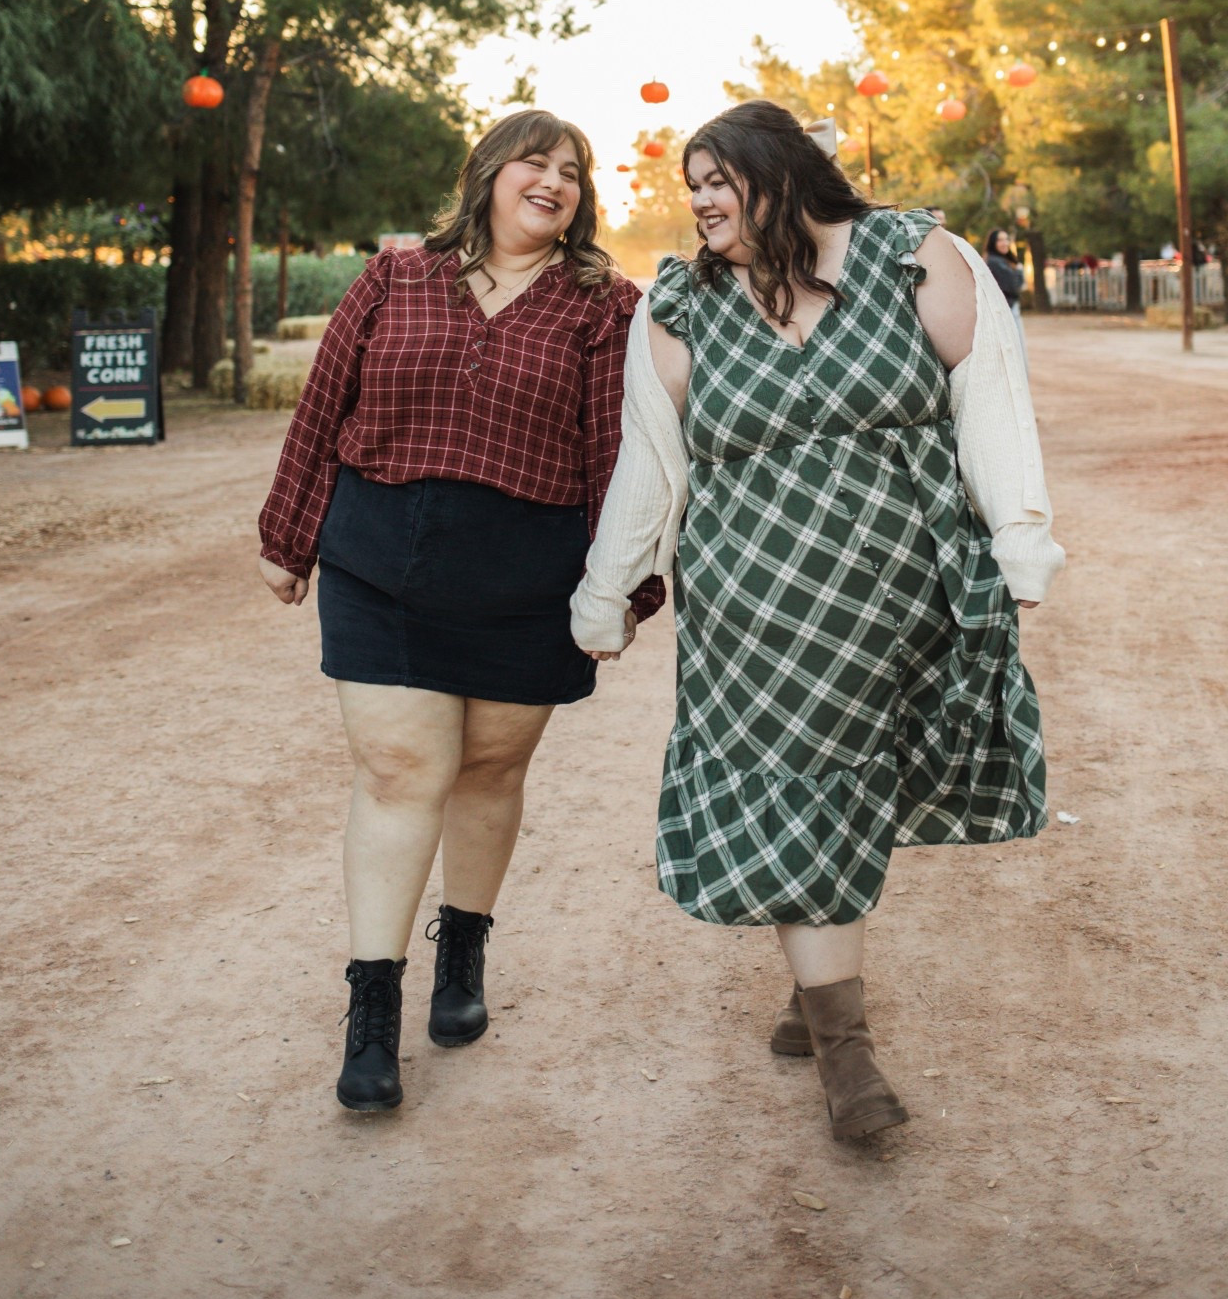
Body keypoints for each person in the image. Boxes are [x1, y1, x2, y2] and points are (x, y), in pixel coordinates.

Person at [572, 101, 1062, 1143]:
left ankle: (811, 987)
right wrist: (605, 592)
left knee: (858, 789)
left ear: (782, 174)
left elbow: (991, 400)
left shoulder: (913, 260)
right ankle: (848, 1057)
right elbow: (649, 463)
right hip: (755, 611)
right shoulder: (680, 307)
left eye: (719, 180)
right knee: (797, 789)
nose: (701, 202)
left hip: (904, 590)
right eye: (692, 186)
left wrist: (1020, 539)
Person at [258, 111, 662, 1112]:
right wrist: (289, 533)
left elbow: (617, 453)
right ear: (487, 171)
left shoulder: (603, 305)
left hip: (527, 575)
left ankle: (464, 949)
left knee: (488, 769)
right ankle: (372, 1010)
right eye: (535, 161)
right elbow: (323, 405)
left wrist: (620, 590)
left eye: (572, 172)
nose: (554, 181)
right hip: (380, 559)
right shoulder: (393, 278)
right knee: (400, 772)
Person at [984, 227, 1029, 370]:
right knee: (1017, 350)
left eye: (1006, 239)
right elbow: (1014, 286)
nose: (1004, 243)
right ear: (993, 243)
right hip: (1007, 310)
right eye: (1000, 240)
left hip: (1009, 309)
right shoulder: (994, 262)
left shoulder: (1002, 260)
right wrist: (1019, 271)